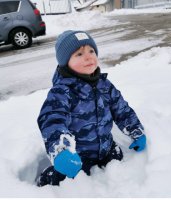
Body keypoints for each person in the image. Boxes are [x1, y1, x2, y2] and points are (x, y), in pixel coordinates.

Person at [37, 30, 147, 187]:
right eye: (79, 54)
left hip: (106, 148)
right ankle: (46, 178)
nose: (88, 56)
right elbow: (52, 119)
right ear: (65, 62)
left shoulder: (105, 86)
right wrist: (61, 151)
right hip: (77, 156)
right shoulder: (62, 92)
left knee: (118, 160)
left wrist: (136, 131)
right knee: (64, 177)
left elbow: (122, 110)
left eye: (91, 51)